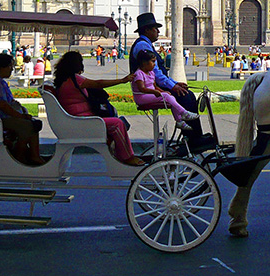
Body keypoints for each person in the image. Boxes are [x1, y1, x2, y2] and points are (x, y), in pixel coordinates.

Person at [129, 13, 211, 149]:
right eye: (155, 29)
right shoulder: (143, 46)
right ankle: (193, 139)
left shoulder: (145, 44)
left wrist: (175, 84)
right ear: (147, 30)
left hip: (153, 85)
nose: (158, 32)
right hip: (148, 89)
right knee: (185, 96)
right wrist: (173, 87)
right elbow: (156, 73)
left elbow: (159, 72)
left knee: (187, 94)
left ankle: (194, 135)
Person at [54, 51, 143, 166]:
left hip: (78, 119)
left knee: (117, 121)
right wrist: (122, 80)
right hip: (83, 121)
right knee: (118, 123)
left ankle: (120, 153)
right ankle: (127, 156)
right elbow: (98, 83)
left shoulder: (65, 80)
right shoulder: (74, 79)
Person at [0, 53, 46, 165]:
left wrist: (22, 111)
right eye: (10, 66)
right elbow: (3, 106)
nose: (12, 69)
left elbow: (9, 103)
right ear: (1, 67)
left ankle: (33, 155)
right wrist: (21, 116)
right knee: (28, 126)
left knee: (33, 124)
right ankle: (19, 157)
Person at [132, 50, 199, 131]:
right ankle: (184, 113)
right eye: (152, 62)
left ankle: (179, 120)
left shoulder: (151, 73)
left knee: (170, 96)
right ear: (144, 63)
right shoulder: (139, 74)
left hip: (151, 94)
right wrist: (155, 92)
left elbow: (155, 86)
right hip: (141, 97)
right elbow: (141, 88)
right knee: (166, 97)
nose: (154, 65)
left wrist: (162, 92)